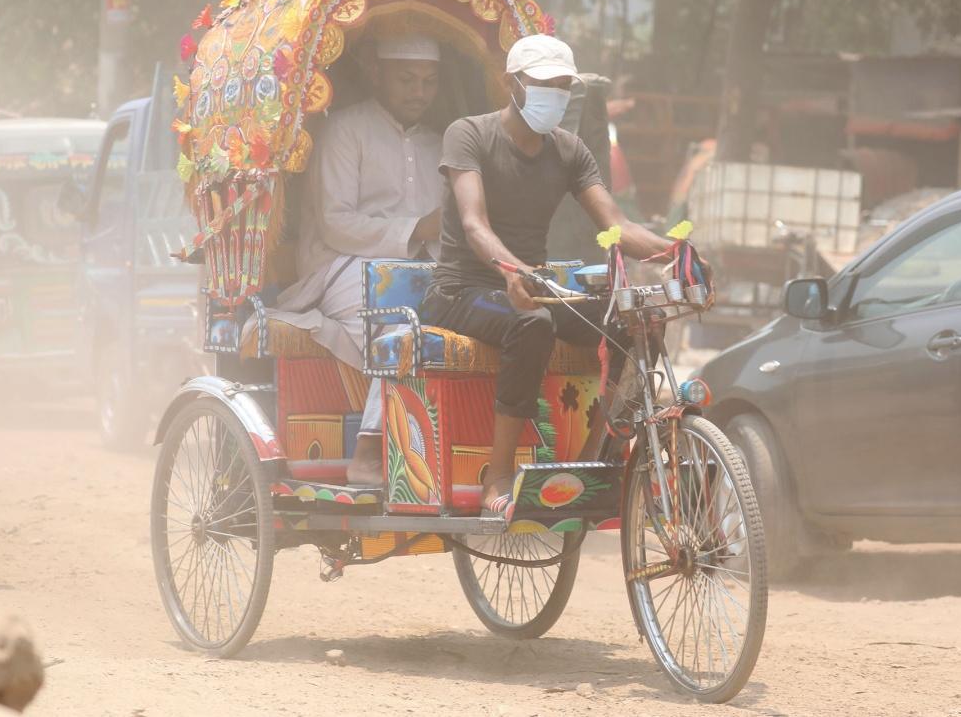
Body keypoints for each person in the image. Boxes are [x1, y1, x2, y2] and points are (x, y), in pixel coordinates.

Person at [421, 34, 674, 515]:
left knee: (634, 319)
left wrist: (676, 254)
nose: (554, 95)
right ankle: (497, 476)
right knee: (532, 323)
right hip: (462, 290)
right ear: (511, 84)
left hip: (533, 286)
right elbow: (475, 224)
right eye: (543, 84)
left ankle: (597, 454)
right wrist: (511, 270)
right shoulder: (468, 134)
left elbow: (617, 226)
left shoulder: (569, 150)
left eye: (562, 86)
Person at [272, 32, 445, 484]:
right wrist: (416, 230)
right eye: (407, 79)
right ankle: (370, 449)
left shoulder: (440, 144)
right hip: (337, 267)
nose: (418, 92)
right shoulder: (345, 130)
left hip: (420, 271)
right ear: (376, 73)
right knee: (402, 314)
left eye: (429, 82)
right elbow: (336, 223)